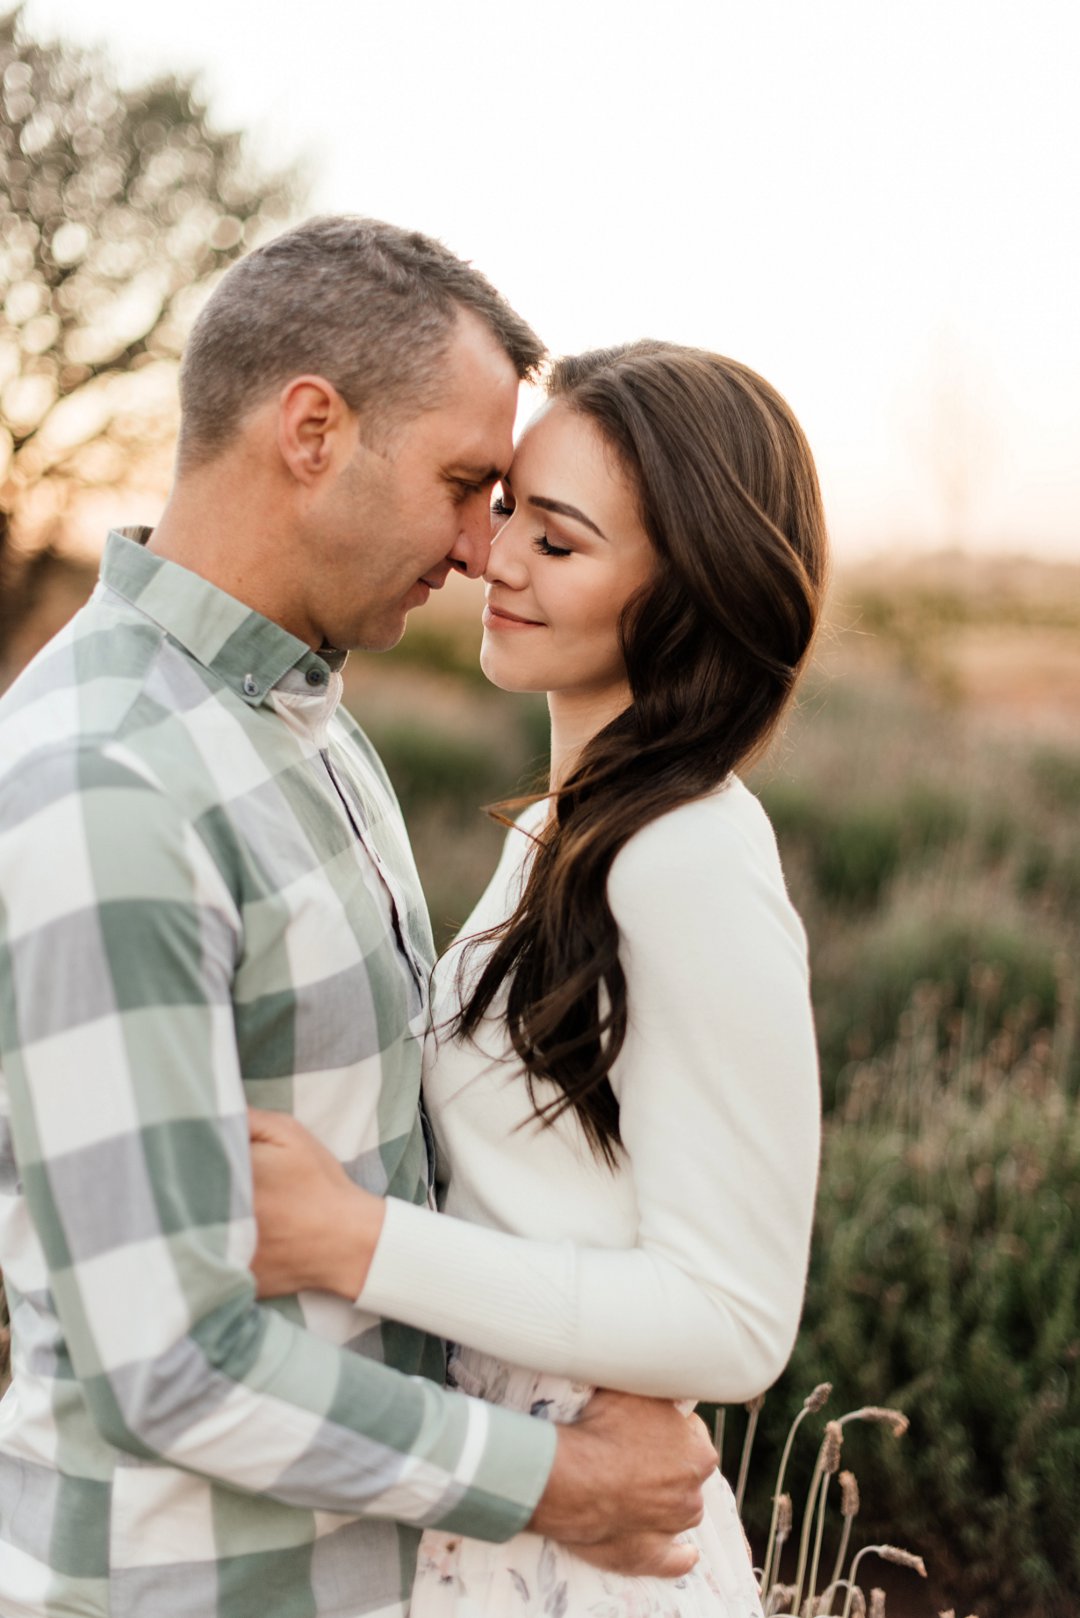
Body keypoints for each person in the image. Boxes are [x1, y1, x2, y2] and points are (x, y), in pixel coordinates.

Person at [0, 221, 719, 1618]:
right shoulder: (108, 783)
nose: (478, 547)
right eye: (464, 485)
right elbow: (170, 1363)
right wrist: (564, 1479)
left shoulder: (303, 721)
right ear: (313, 430)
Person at [246, 339, 827, 1616]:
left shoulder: (688, 852)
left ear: (686, 594)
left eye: (556, 544)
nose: (493, 558)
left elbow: (736, 1317)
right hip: (489, 1507)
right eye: (508, 508)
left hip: (588, 1549)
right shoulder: (561, 829)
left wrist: (358, 1242)